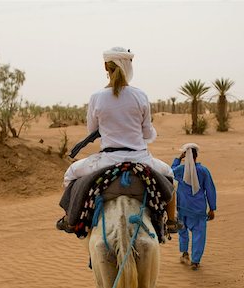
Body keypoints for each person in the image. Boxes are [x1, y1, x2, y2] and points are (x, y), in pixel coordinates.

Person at [58, 46, 180, 232]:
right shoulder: (140, 95)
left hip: (107, 160)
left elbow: (92, 129)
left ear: (106, 68)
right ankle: (171, 221)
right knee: (169, 175)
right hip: (140, 159)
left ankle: (71, 219)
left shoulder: (96, 97)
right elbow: (147, 132)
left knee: (70, 174)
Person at [171, 143, 217, 270]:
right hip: (198, 209)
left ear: (186, 156)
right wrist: (212, 208)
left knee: (183, 231)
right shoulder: (203, 171)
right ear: (196, 156)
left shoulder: (180, 169)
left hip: (182, 207)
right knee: (199, 234)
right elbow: (210, 189)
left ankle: (184, 253)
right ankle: (195, 261)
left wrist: (178, 159)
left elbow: (170, 172)